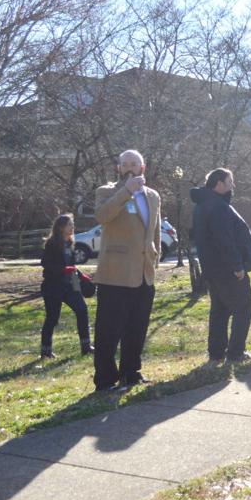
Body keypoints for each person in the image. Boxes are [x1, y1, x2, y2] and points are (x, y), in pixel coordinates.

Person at [92, 149, 161, 391]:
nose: (130, 167)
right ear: (119, 168)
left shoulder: (153, 196)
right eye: (125, 164)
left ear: (143, 168)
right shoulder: (107, 191)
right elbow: (102, 216)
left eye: (135, 163)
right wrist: (126, 192)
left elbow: (155, 231)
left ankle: (131, 372)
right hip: (115, 274)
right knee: (108, 331)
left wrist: (155, 259)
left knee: (137, 328)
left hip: (144, 273)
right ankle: (104, 379)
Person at [191, 168, 251, 365]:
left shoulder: (203, 205)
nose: (233, 186)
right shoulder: (218, 206)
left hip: (213, 269)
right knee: (244, 306)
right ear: (218, 184)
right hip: (228, 270)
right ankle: (236, 353)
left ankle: (216, 354)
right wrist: (238, 266)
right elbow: (225, 240)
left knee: (219, 310)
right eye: (230, 182)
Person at [38, 213, 92, 359]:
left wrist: (82, 276)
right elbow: (46, 265)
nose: (72, 227)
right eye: (69, 224)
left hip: (70, 285)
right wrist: (62, 270)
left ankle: (86, 347)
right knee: (52, 318)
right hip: (53, 287)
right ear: (61, 227)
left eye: (72, 224)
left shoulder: (70, 243)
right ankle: (46, 351)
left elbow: (71, 266)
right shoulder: (52, 243)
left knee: (82, 310)